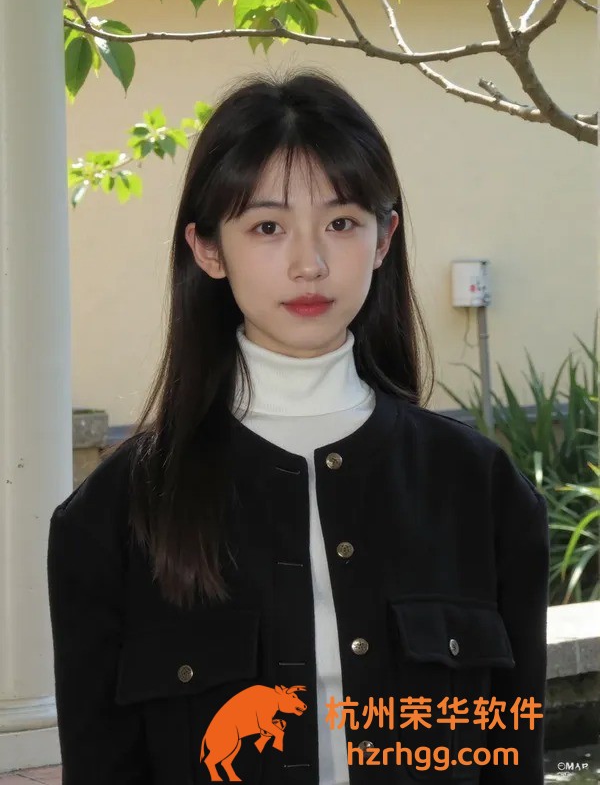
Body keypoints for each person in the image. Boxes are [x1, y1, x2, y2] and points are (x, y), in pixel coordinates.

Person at [47, 68, 549, 785]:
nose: (309, 264)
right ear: (208, 249)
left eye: (341, 223)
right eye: (267, 227)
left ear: (384, 238)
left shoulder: (482, 490)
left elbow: (511, 760)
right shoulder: (112, 516)